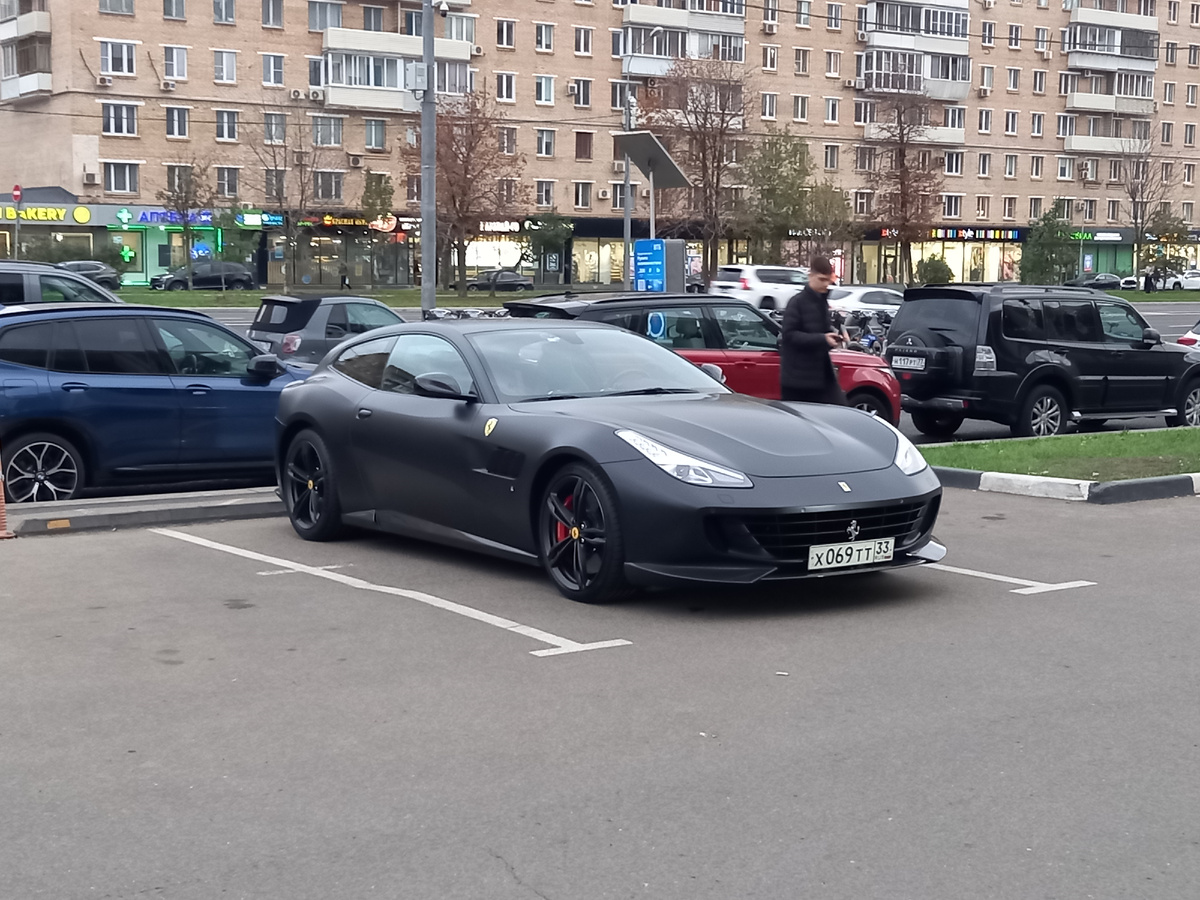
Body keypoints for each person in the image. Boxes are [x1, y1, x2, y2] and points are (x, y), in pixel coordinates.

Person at [779, 255, 846, 405]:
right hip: (798, 381)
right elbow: (789, 336)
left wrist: (831, 337)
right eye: (821, 280)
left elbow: (820, 330)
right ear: (811, 276)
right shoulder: (797, 302)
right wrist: (823, 339)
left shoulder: (821, 302)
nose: (825, 284)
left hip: (819, 376)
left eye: (827, 280)